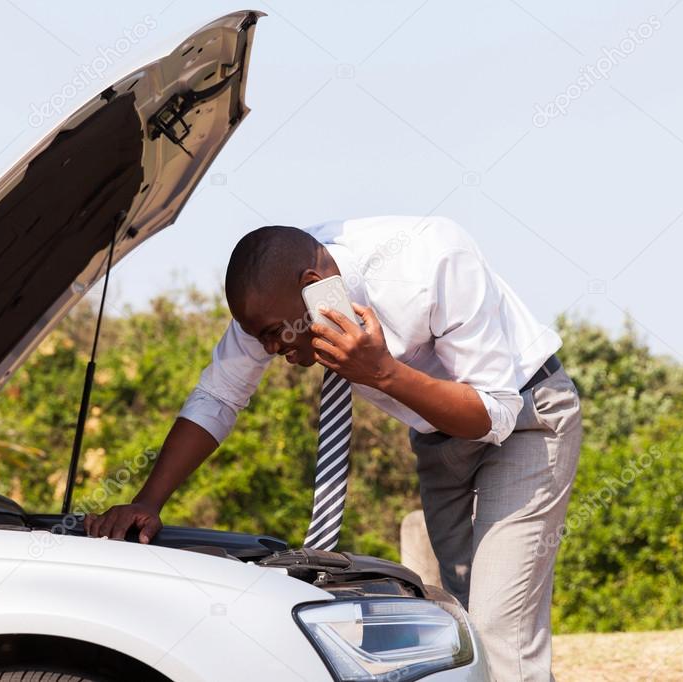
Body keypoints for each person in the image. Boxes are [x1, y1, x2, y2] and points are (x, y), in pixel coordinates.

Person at [85, 215, 582, 680]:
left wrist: (383, 372)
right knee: (463, 623)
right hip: (437, 439)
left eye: (275, 334)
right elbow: (219, 395)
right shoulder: (270, 300)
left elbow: (494, 414)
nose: (273, 350)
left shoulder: (432, 262)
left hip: (526, 421)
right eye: (260, 339)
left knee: (500, 627)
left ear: (311, 286)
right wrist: (148, 501)